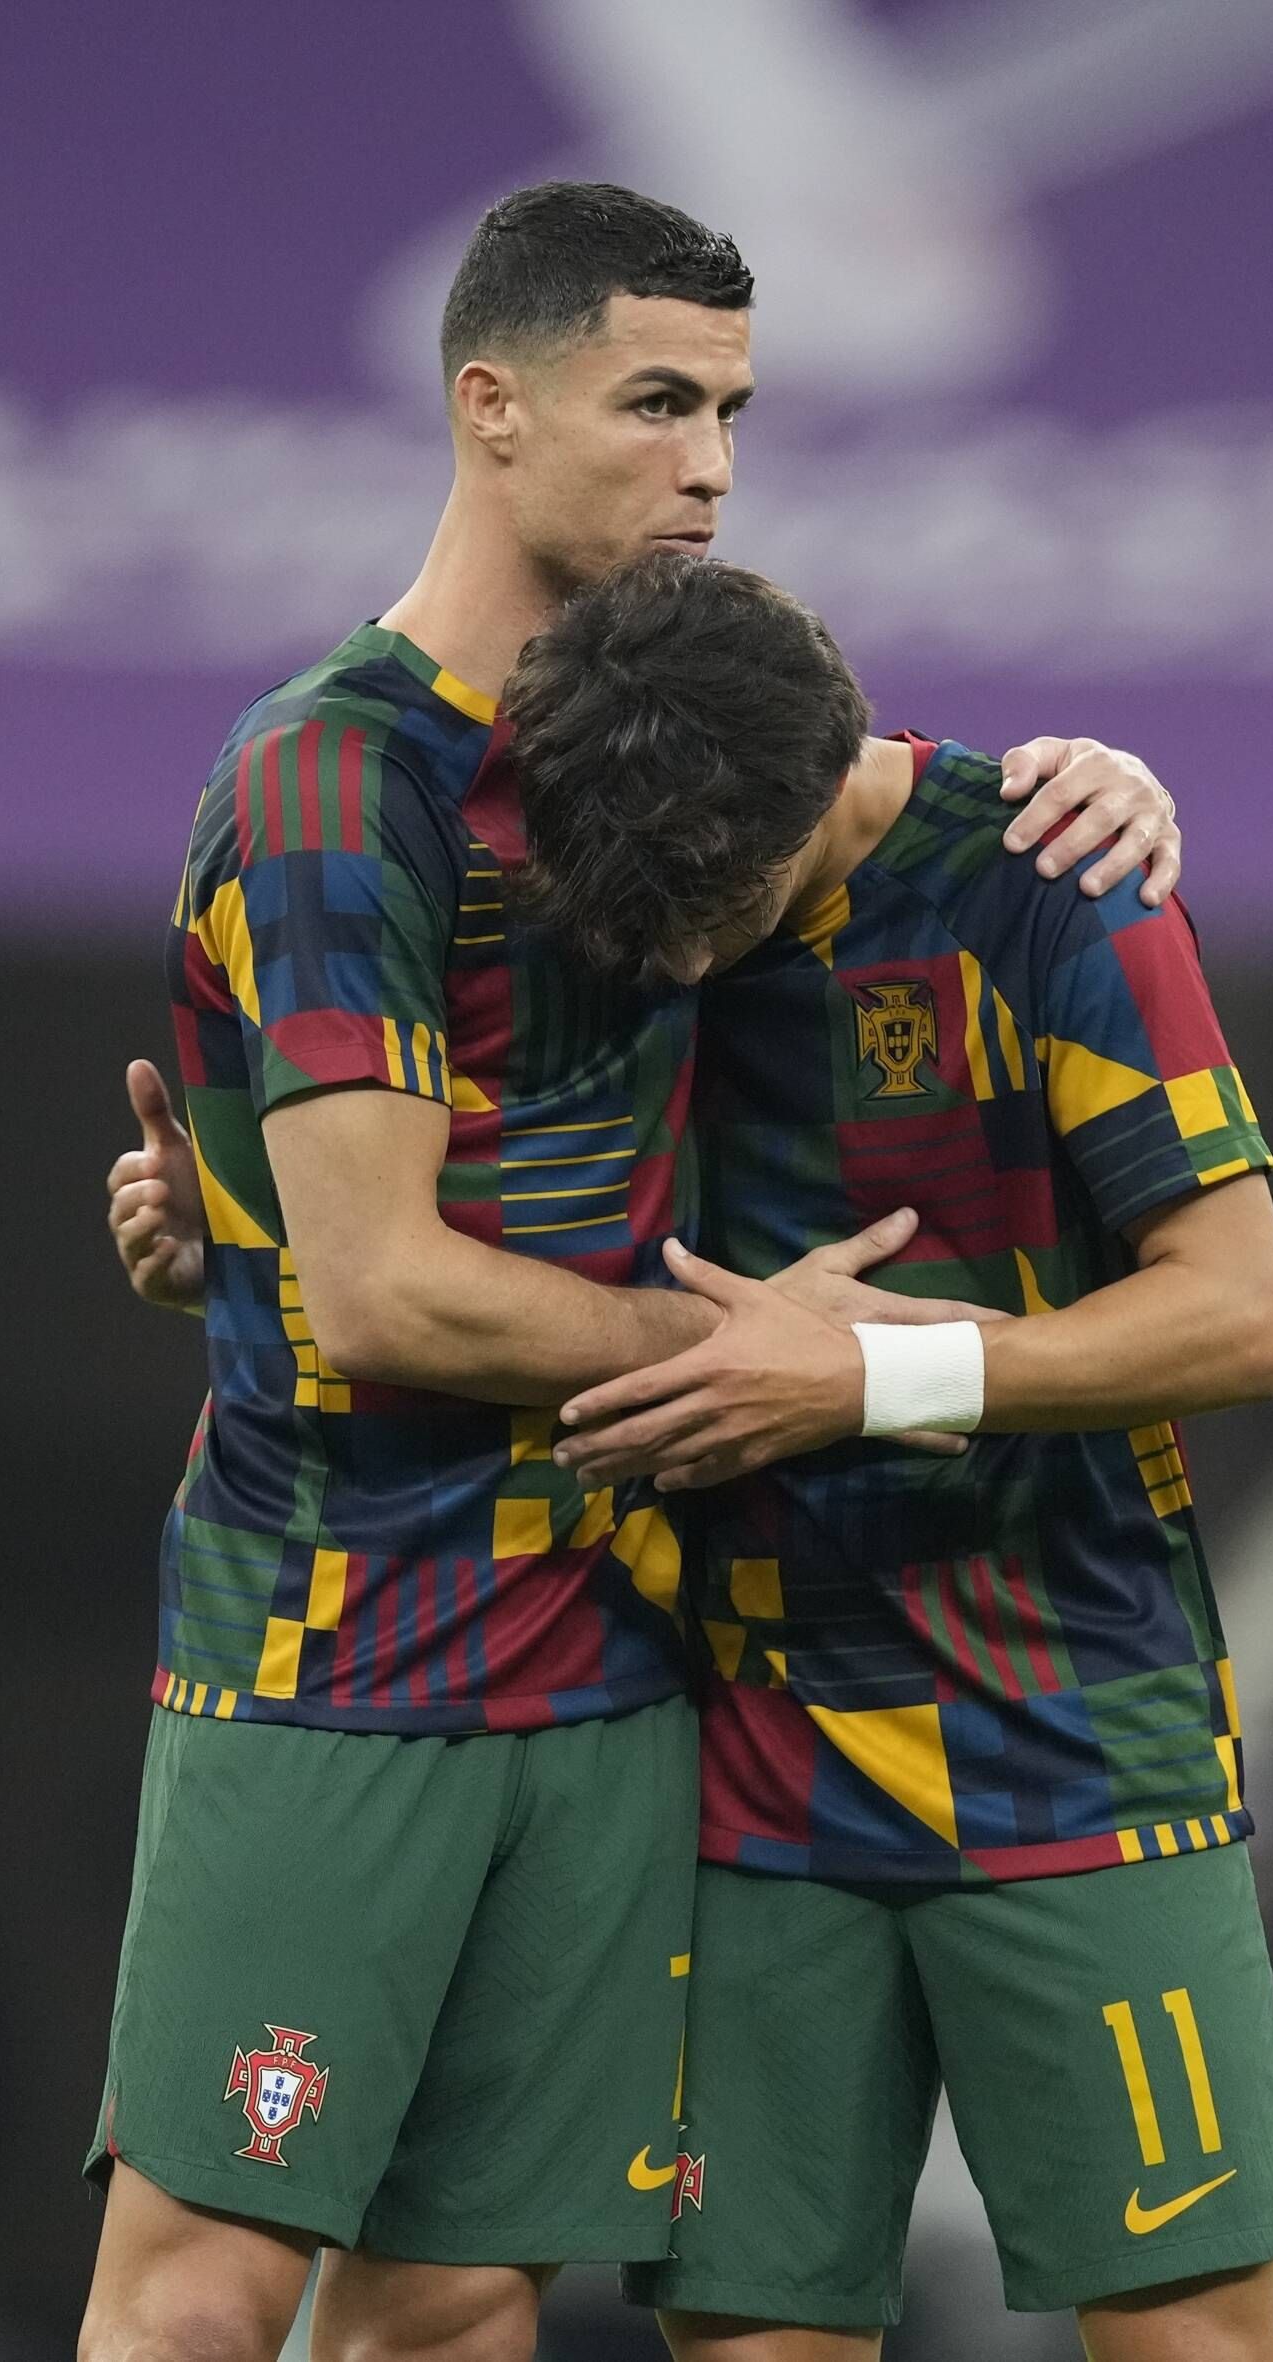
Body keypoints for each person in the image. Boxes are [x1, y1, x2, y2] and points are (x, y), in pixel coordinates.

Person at [84, 187, 1181, 2362]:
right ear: (486, 407)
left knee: (458, 2306)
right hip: (336, 1638)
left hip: (610, 1663)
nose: (710, 465)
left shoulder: (675, 749)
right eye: (655, 402)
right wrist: (773, 1353)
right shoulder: (336, 775)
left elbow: (877, 809)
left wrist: (1081, 783)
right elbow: (384, 1290)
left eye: (734, 413)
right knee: (201, 2292)